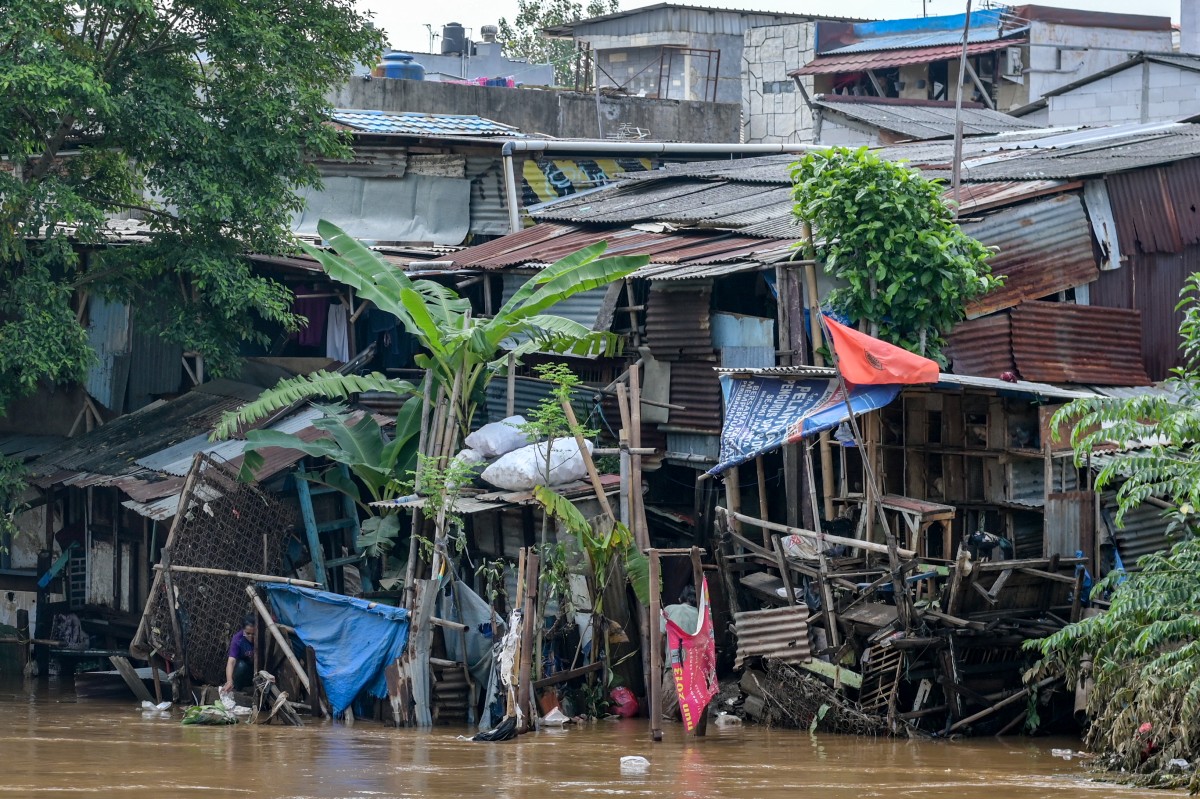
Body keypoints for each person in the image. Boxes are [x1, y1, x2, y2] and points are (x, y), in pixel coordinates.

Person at [659, 585, 698, 721]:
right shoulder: (701, 615)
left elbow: (660, 637)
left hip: (674, 664)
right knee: (691, 716)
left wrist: (661, 657)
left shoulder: (669, 609)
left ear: (681, 598)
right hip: (695, 667)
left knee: (667, 716)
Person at [223, 614, 256, 693]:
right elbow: (231, 661)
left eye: (254, 634)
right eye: (248, 633)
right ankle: (238, 689)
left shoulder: (263, 637)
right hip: (245, 669)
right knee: (241, 665)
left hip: (259, 671)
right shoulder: (238, 639)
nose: (251, 637)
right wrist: (229, 681)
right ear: (243, 630)